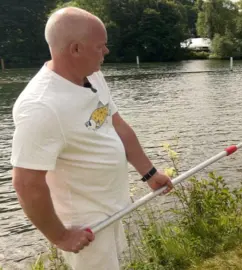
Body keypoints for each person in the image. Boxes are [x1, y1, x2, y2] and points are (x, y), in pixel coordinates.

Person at [10, 7, 174, 269]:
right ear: (75, 49)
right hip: (86, 224)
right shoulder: (41, 106)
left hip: (112, 206)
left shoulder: (93, 76)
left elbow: (118, 126)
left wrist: (149, 173)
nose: (106, 52)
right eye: (101, 46)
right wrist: (61, 236)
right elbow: (26, 183)